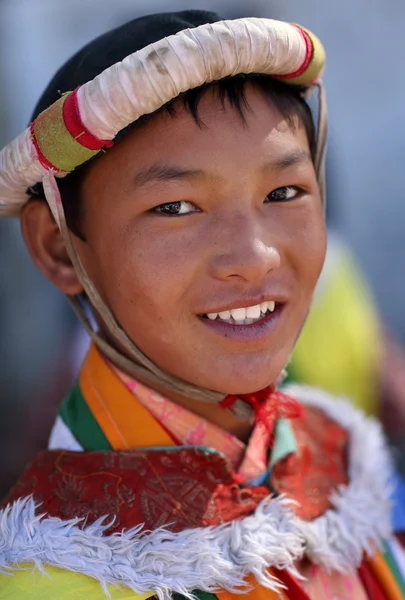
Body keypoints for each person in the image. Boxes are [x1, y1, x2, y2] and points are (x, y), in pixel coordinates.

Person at [0, 9, 404, 600]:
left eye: (284, 193)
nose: (255, 254)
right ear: (60, 249)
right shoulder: (58, 574)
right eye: (176, 207)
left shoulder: (344, 469)